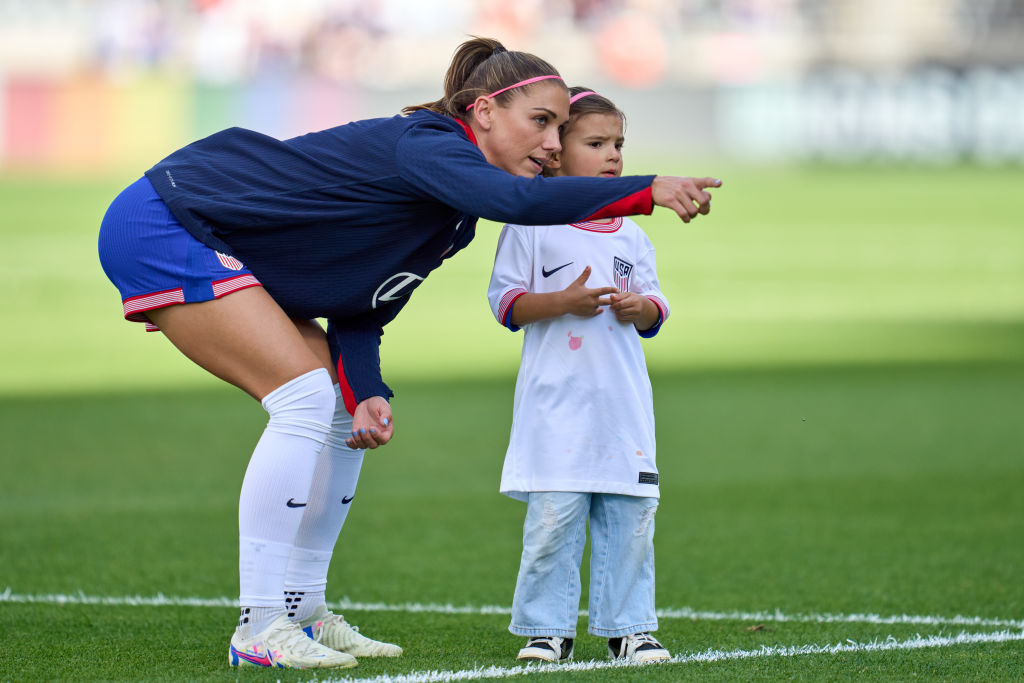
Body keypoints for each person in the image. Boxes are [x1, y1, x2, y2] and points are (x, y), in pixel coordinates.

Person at [98, 36, 720, 670]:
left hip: (209, 231)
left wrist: (366, 385)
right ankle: (259, 625)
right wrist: (648, 190)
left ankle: (303, 610)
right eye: (541, 122)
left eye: (561, 128)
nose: (555, 144)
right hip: (168, 219)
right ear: (483, 112)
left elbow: (362, 302)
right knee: (304, 398)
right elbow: (519, 204)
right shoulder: (428, 146)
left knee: (339, 407)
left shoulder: (453, 214)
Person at [487, 87, 678, 664]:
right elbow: (507, 305)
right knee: (553, 522)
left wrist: (637, 307)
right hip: (555, 406)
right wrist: (563, 302)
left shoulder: (631, 232)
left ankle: (630, 629)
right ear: (557, 153)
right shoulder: (530, 226)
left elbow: (655, 308)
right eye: (596, 143)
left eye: (618, 144)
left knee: (630, 519)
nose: (613, 155)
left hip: (620, 406)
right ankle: (546, 629)